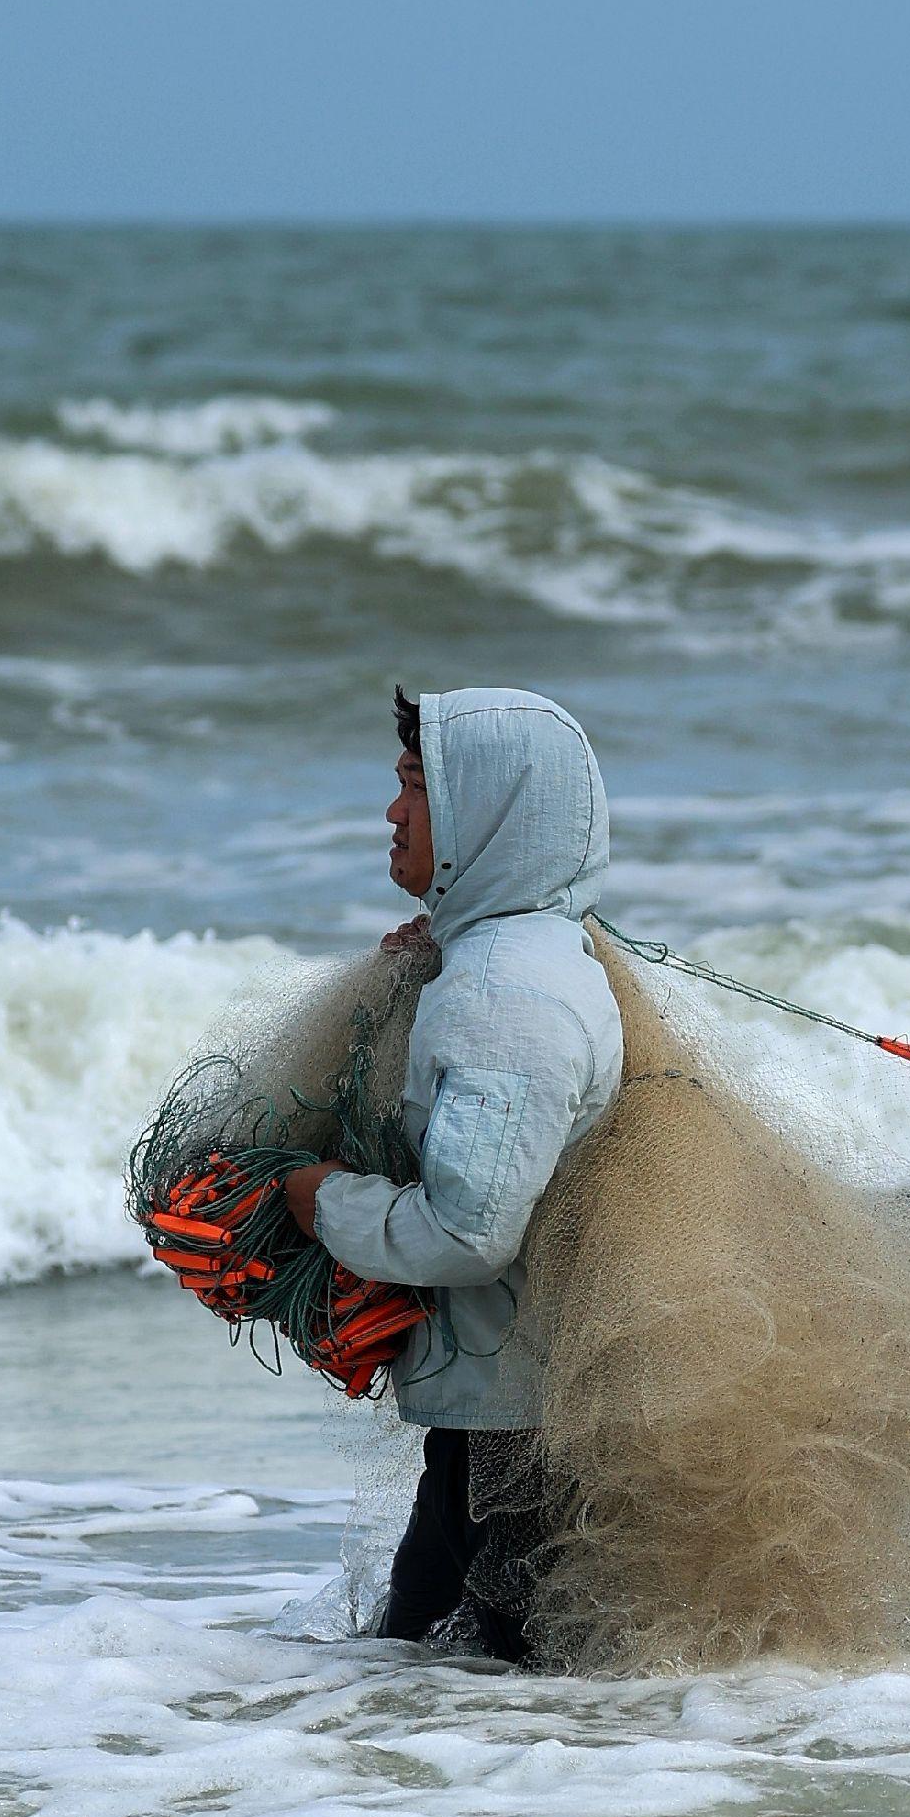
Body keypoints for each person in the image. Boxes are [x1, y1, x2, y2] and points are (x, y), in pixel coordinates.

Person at [282, 685, 624, 1661]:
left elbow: (468, 1234)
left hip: (517, 1440)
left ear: (489, 809)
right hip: (517, 1408)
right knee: (445, 1693)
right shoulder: (523, 955)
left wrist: (319, 1202)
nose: (393, 813)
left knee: (477, 1696)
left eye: (417, 787)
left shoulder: (502, 997)